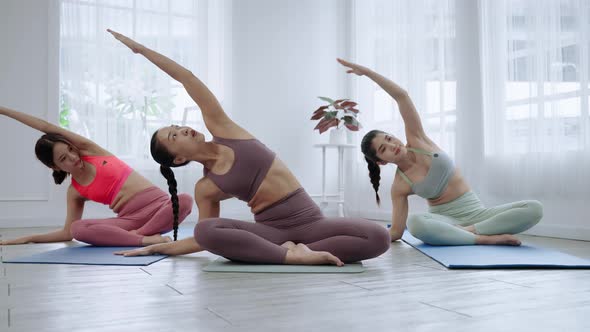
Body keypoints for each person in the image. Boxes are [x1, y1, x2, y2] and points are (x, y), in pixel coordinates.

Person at [108, 29, 390, 265]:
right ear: (179, 158)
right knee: (206, 229)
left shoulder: (224, 130)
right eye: (173, 136)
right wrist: (161, 248)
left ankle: (296, 251)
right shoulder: (206, 188)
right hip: (270, 232)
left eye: (175, 126)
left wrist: (141, 50)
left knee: (379, 237)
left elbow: (188, 79)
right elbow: (203, 239)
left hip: (311, 222)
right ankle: (291, 256)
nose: (181, 129)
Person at [337, 58, 543, 246]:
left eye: (389, 139)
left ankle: (467, 232)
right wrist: (358, 235)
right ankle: (482, 239)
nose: (392, 146)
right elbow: (397, 233)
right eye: (384, 149)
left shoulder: (418, 139)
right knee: (416, 223)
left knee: (534, 209)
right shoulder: (400, 185)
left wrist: (368, 73)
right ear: (381, 161)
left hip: (479, 214)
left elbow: (402, 96)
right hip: (445, 220)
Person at [0, 106, 192, 247]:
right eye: (63, 158)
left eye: (70, 150)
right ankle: (144, 239)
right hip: (129, 221)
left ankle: (138, 236)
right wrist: (28, 238)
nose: (73, 157)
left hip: (160, 209)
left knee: (185, 200)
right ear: (55, 166)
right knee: (78, 228)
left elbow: (45, 126)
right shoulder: (75, 191)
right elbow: (68, 233)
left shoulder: (92, 150)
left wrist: (4, 111)